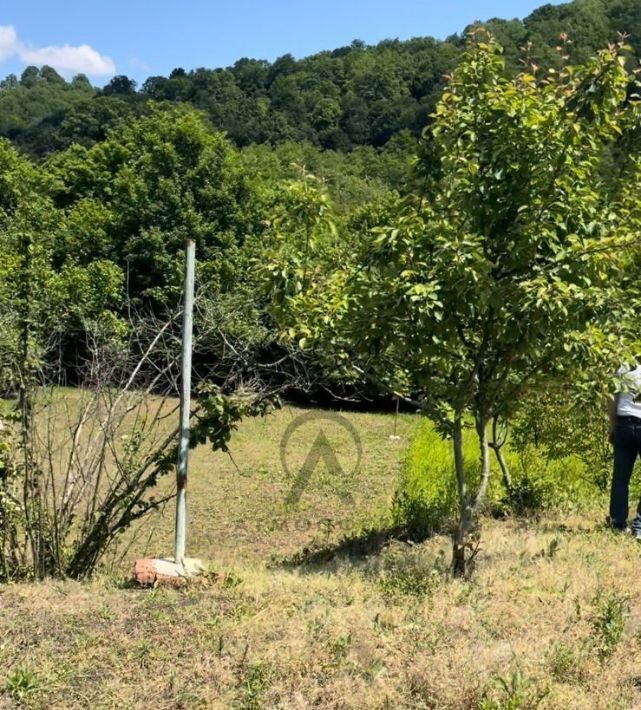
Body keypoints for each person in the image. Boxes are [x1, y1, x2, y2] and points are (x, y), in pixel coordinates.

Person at [608, 360, 641, 536]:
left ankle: (618, 524)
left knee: (620, 478)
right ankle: (640, 528)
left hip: (624, 423)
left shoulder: (622, 365)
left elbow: (611, 397)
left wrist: (612, 425)